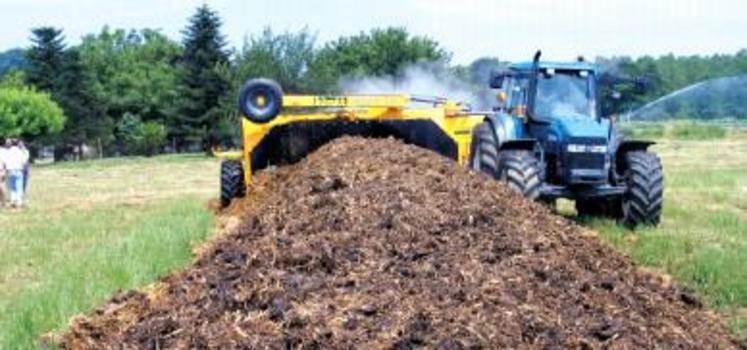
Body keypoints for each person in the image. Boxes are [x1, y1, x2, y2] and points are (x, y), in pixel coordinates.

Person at [4, 139, 29, 208]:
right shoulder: (20, 152)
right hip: (18, 170)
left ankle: (12, 201)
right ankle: (19, 202)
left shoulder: (8, 152)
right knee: (19, 187)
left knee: (12, 187)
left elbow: (5, 161)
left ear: (11, 144)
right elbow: (24, 161)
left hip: (10, 171)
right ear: (17, 144)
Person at [0, 140, 8, 207]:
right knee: (2, 186)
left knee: (2, 186)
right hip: (1, 170)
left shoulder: (3, 151)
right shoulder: (4, 151)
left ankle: (3, 202)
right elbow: (6, 162)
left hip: (1, 170)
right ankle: (3, 202)